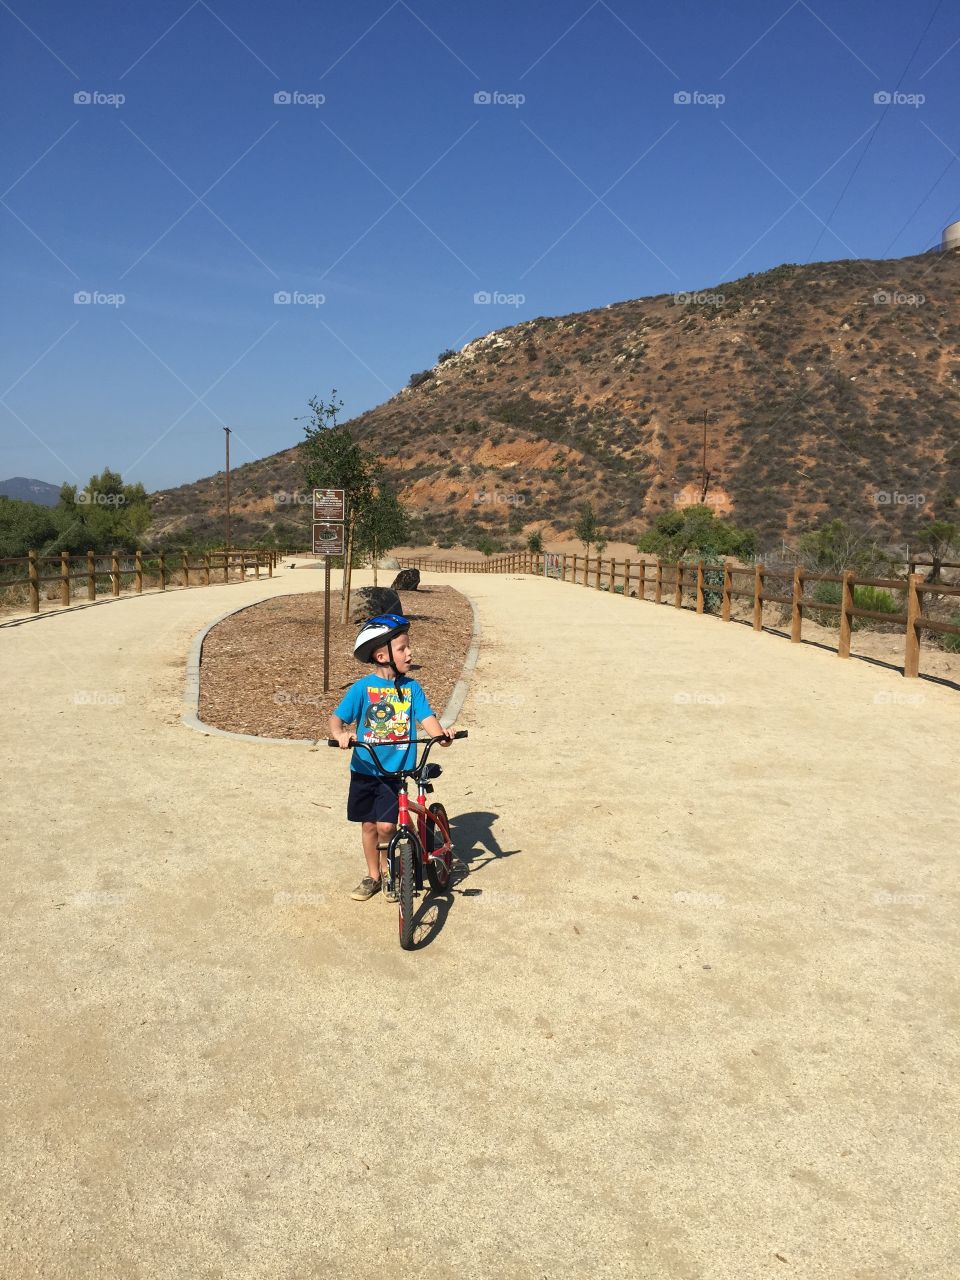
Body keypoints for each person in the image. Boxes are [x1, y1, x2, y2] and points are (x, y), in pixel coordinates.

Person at [329, 613, 451, 901]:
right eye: (402, 648)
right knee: (369, 826)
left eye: (408, 647)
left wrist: (443, 736)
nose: (410, 653)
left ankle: (393, 873)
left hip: (394, 773)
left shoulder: (412, 689)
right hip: (364, 768)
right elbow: (336, 720)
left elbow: (429, 723)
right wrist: (340, 735)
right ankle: (374, 876)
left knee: (386, 826)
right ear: (382, 655)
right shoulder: (362, 689)